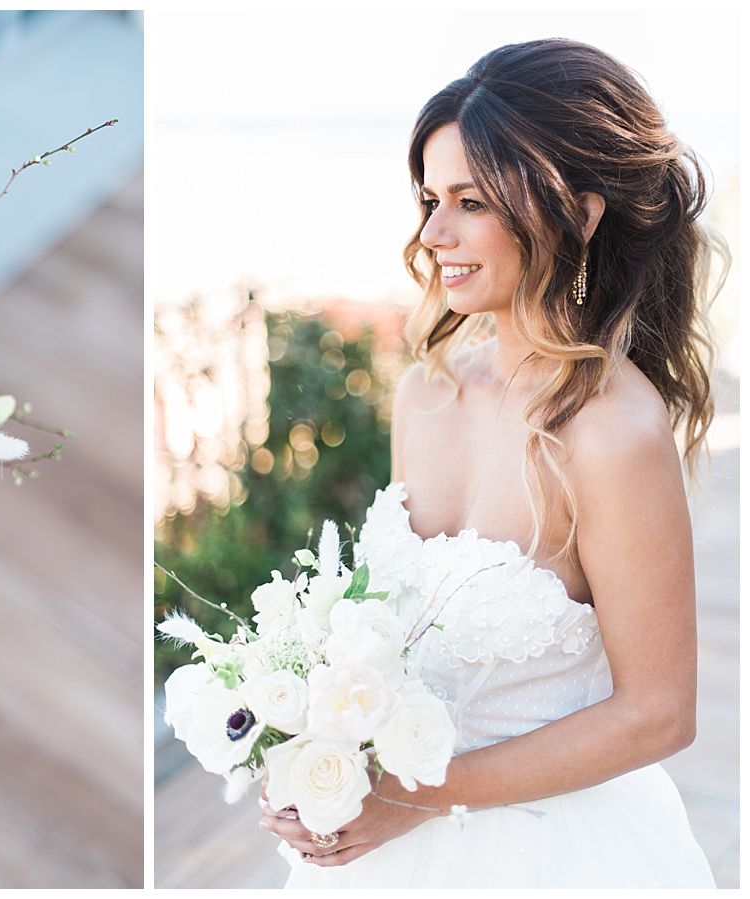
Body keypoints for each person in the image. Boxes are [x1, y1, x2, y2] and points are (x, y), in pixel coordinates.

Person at [257, 39, 721, 888]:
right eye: (431, 200)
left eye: (470, 202)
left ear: (578, 215)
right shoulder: (425, 395)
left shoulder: (614, 433)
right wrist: (302, 748)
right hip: (380, 847)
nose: (434, 233)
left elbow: (658, 714)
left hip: (547, 852)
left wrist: (423, 798)